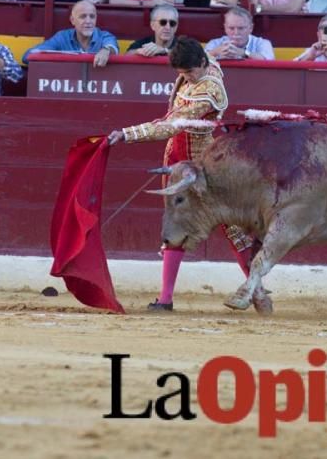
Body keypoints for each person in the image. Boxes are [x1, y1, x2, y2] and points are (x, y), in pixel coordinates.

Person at [106, 36, 268, 313]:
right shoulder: (201, 63)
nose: (188, 79)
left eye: (191, 72)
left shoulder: (210, 90)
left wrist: (127, 134)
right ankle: (166, 298)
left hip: (204, 165)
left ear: (203, 64)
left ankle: (259, 294)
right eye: (182, 74)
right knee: (175, 225)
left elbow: (171, 125)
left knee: (234, 230)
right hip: (176, 159)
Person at [21, 0, 119, 64]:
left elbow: (112, 46)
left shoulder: (104, 36)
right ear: (72, 20)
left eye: (92, 17)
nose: (88, 21)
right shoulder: (62, 37)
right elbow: (28, 56)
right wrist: (55, 59)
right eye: (83, 16)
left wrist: (106, 51)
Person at [204, 7, 274, 60]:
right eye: (231, 28)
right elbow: (199, 62)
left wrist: (243, 53)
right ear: (225, 28)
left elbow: (268, 61)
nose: (236, 32)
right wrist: (216, 52)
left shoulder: (263, 43)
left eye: (241, 28)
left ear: (251, 28)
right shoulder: (215, 43)